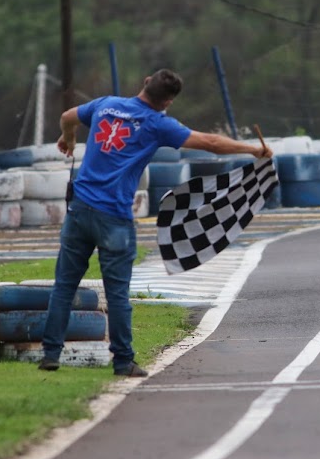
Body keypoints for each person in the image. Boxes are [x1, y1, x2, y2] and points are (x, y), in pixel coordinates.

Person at [39, 69, 271, 377]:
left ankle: (50, 354)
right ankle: (122, 361)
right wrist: (255, 150)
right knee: (118, 293)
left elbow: (68, 116)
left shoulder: (105, 104)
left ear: (146, 82)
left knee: (64, 285)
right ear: (169, 102)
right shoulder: (157, 123)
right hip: (114, 217)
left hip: (79, 209)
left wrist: (68, 139)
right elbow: (211, 142)